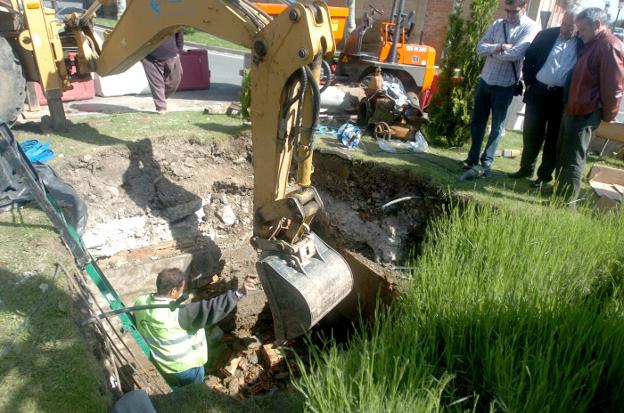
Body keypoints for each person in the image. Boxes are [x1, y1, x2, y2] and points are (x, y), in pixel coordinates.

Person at [134, 268, 256, 387]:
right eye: (180, 290)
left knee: (180, 392)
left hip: (164, 365)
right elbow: (212, 308)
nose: (181, 293)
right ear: (173, 291)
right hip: (187, 368)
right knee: (196, 394)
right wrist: (239, 293)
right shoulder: (178, 314)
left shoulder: (140, 302)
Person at [554, 8, 624, 203]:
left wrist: (609, 116)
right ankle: (559, 195)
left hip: (586, 112)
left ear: (598, 25)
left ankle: (566, 202)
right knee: (564, 155)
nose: (579, 34)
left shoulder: (608, 46)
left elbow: (614, 86)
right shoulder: (594, 43)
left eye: (583, 29)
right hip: (574, 108)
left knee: (573, 159)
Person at [463, 0, 538, 177]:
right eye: (507, 11)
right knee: (477, 122)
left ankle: (486, 163)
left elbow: (516, 54)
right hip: (486, 79)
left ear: (524, 7)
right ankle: (472, 158)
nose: (510, 15)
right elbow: (479, 48)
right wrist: (500, 46)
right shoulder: (498, 24)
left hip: (505, 85)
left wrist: (492, 51)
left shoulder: (530, 27)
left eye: (514, 11)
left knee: (497, 126)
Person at [508, 11, 580, 188]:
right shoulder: (546, 35)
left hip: (561, 97)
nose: (565, 29)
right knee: (531, 133)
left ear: (578, 26)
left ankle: (544, 176)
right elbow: (529, 58)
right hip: (538, 91)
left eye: (570, 26)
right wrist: (530, 82)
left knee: (553, 138)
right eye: (564, 24)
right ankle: (526, 168)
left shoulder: (582, 43)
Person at [141, 31, 184, 114]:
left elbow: (179, 33)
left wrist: (179, 51)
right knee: (157, 83)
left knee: (175, 80)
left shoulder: (171, 18)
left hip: (172, 54)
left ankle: (162, 97)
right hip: (149, 58)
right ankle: (161, 107)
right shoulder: (143, 21)